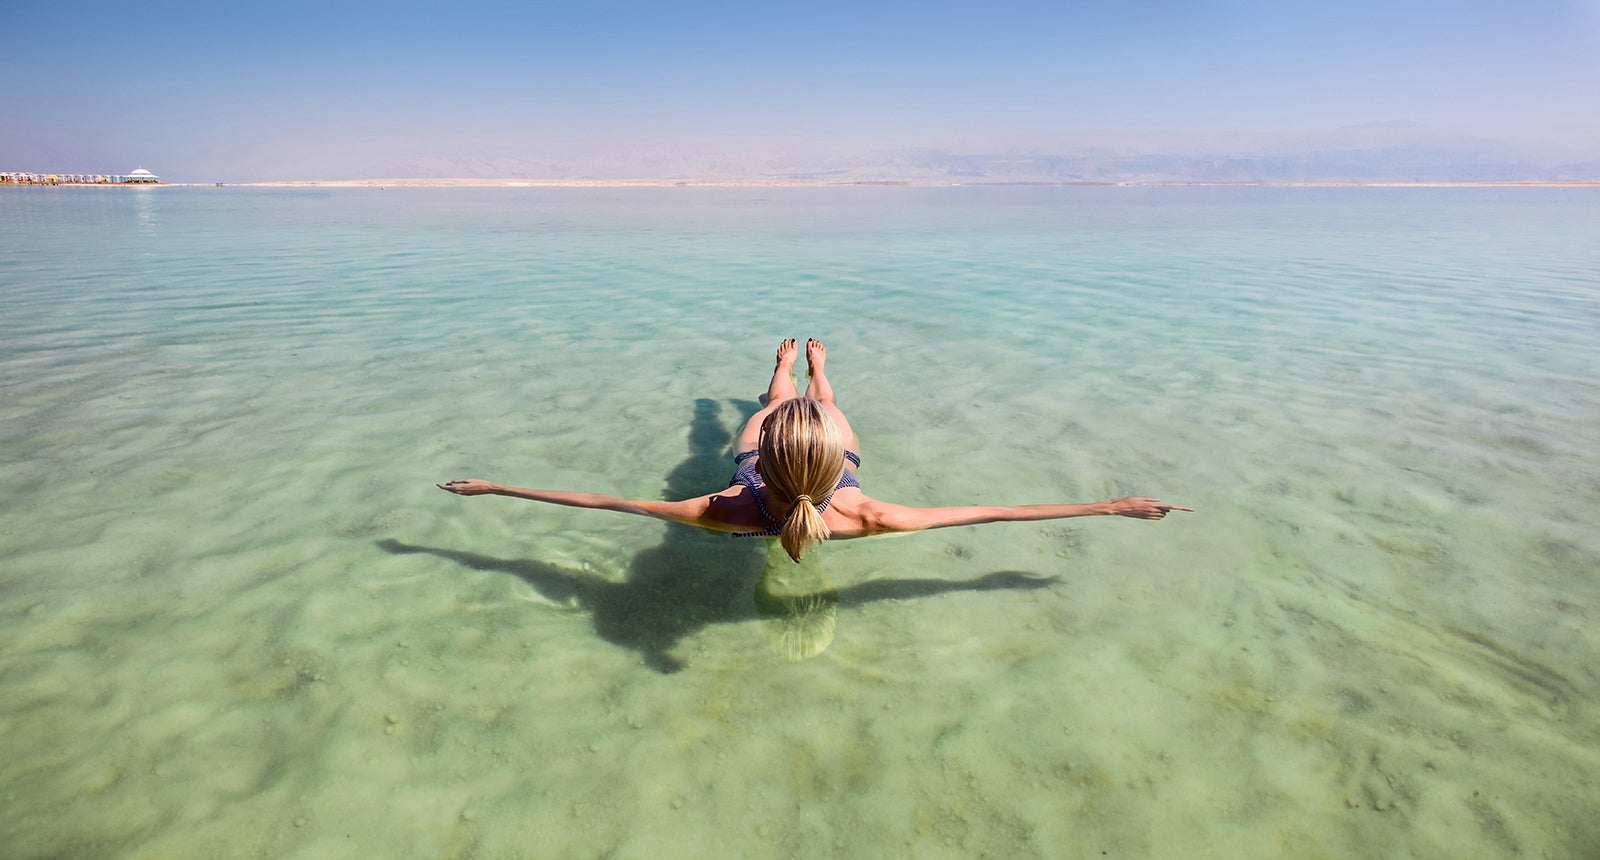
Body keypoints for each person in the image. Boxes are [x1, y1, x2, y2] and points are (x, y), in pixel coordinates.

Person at [439, 339, 1192, 562]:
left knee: (775, 397)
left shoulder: (720, 507)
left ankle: (785, 363)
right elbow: (993, 513)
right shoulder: (866, 514)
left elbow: (603, 501)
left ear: (762, 457)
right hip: (813, 462)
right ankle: (822, 369)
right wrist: (1111, 504)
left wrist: (498, 488)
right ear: (837, 466)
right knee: (823, 403)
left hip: (769, 464)